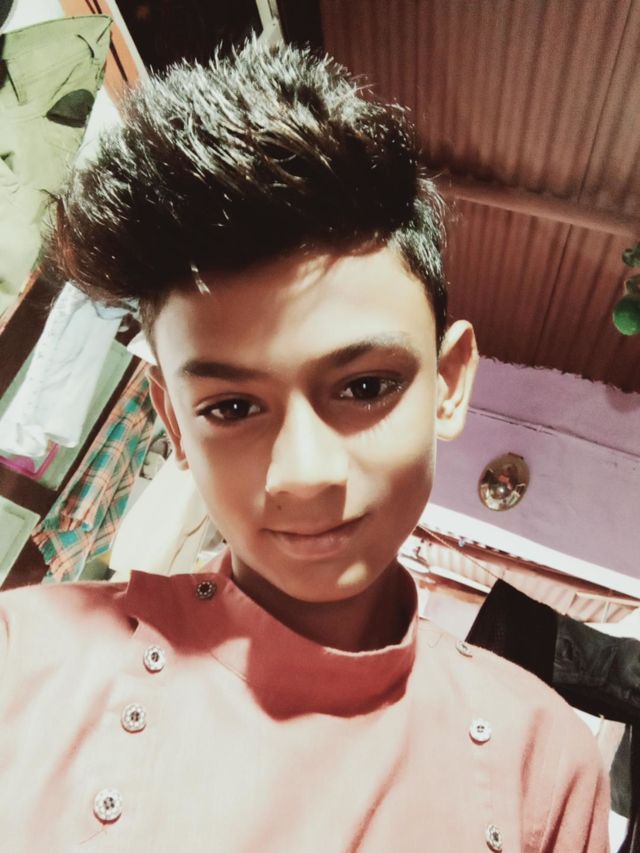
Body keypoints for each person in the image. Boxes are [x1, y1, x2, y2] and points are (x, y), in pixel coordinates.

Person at [0, 38, 609, 852]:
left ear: (449, 382)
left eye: (365, 386)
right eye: (231, 406)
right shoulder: (25, 661)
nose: (304, 474)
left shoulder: (543, 763)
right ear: (174, 423)